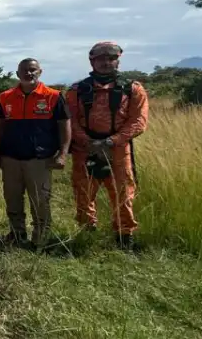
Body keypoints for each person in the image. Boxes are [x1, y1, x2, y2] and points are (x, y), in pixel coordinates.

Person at [66, 42, 148, 250]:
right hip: (85, 150)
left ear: (118, 60)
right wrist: (88, 141)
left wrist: (111, 141)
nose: (106, 62)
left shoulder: (132, 88)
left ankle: (124, 239)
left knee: (124, 195)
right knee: (83, 194)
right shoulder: (77, 90)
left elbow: (138, 122)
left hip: (119, 150)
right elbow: (70, 121)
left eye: (111, 58)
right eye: (101, 59)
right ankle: (87, 235)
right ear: (92, 61)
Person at [0, 58, 71, 249]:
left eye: (33, 70)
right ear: (17, 74)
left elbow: (64, 126)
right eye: (25, 70)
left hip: (40, 160)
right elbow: (1, 127)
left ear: (40, 72)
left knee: (40, 201)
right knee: (12, 199)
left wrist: (62, 153)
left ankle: (41, 238)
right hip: (11, 159)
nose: (29, 73)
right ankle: (17, 234)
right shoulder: (6, 97)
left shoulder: (53, 96)